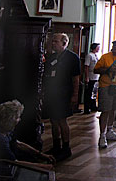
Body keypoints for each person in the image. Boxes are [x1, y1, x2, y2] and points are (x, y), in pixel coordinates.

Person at [0, 100, 55, 171]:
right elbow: (15, 163)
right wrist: (42, 167)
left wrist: (42, 155)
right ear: (8, 120)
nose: (19, 119)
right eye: (17, 117)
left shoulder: (3, 129)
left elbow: (19, 144)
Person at [43, 33, 80, 161]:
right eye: (52, 41)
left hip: (64, 95)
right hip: (51, 94)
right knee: (53, 120)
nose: (53, 43)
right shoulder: (51, 57)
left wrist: (75, 95)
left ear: (64, 43)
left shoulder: (72, 58)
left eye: (56, 41)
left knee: (61, 121)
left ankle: (66, 148)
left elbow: (76, 79)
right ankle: (56, 146)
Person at [84, 43, 100, 114]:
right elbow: (86, 67)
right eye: (97, 47)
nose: (98, 49)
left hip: (95, 77)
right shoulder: (89, 55)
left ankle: (93, 106)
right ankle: (86, 108)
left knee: (93, 93)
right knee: (88, 93)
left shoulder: (95, 55)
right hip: (90, 76)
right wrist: (87, 77)